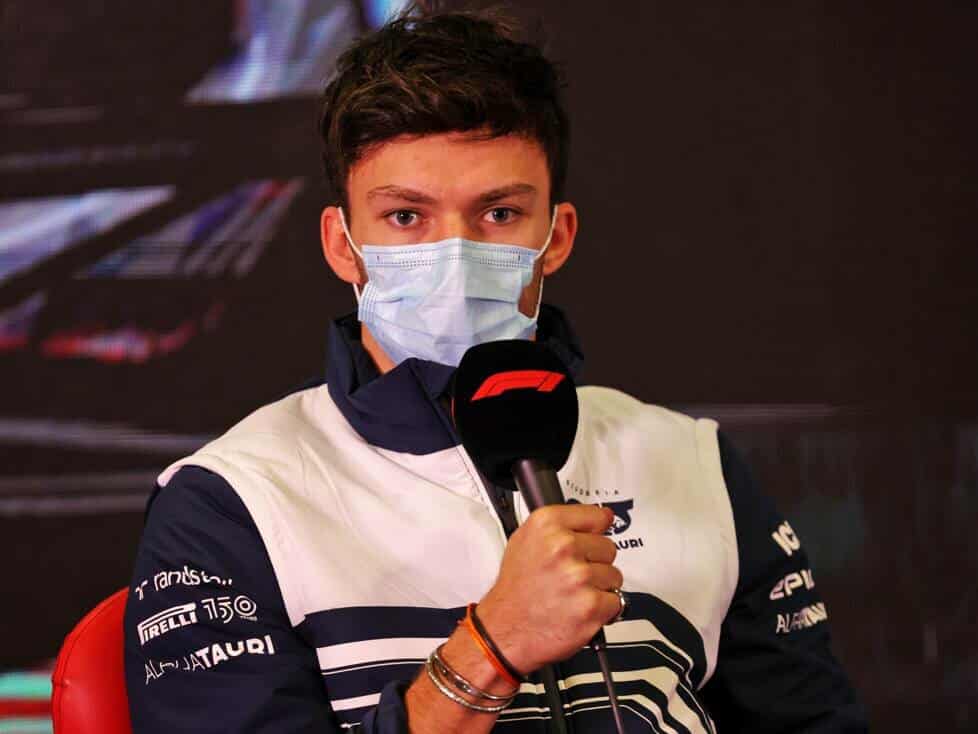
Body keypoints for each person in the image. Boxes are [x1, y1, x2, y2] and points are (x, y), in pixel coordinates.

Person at [123, 6, 868, 733]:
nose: (455, 251)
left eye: (500, 213)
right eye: (406, 216)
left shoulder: (693, 464)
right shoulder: (231, 502)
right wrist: (491, 650)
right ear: (342, 244)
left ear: (557, 236)